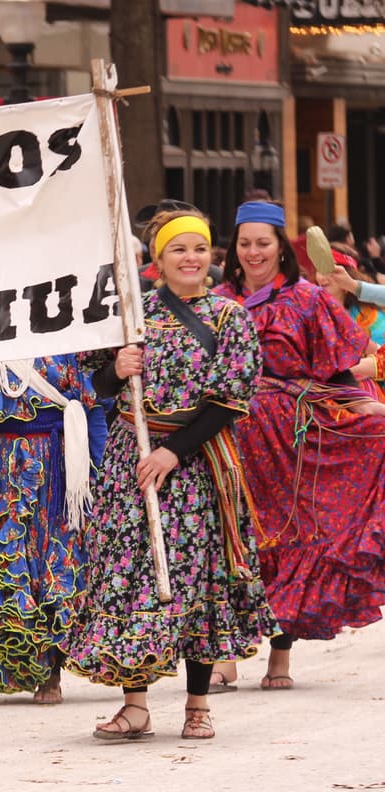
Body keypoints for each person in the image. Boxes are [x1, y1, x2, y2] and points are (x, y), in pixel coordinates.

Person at [65, 208, 278, 740]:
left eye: (200, 249)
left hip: (197, 463)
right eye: (178, 249)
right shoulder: (130, 315)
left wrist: (173, 452)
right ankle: (134, 704)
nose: (191, 258)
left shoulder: (229, 318)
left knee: (197, 578)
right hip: (130, 461)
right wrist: (116, 371)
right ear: (157, 259)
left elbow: (230, 401)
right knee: (127, 574)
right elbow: (91, 383)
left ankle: (197, 704)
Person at [211, 201, 385, 691]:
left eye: (263, 243)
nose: (253, 252)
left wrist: (366, 407)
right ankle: (224, 653)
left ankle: (279, 653)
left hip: (290, 438)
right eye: (245, 243)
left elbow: (333, 369)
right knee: (228, 538)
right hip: (224, 435)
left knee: (287, 536)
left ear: (281, 247)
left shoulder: (308, 299)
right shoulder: (214, 302)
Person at [0, 356, 107, 703]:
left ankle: (52, 670)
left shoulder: (69, 345)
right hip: (0, 470)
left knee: (53, 565)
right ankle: (22, 663)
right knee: (8, 564)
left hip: (59, 468)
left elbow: (93, 408)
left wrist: (102, 468)